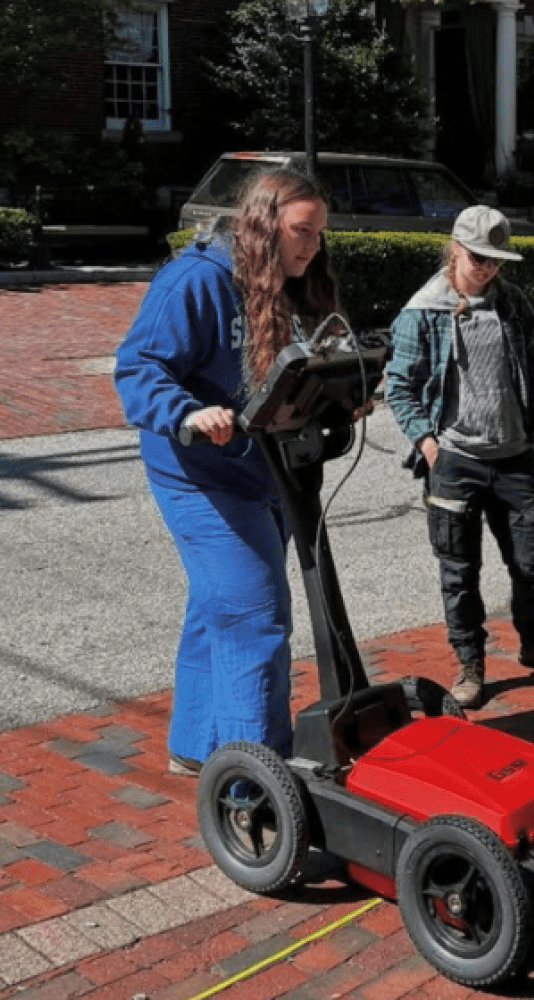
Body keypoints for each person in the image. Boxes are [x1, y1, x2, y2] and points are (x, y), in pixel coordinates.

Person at [113, 169, 337, 773]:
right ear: (264, 226)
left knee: (221, 605)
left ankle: (196, 747)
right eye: (301, 231)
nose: (311, 245)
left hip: (263, 469)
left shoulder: (292, 282)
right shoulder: (194, 280)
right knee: (256, 616)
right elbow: (138, 369)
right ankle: (255, 783)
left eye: (318, 232)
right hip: (200, 474)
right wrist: (188, 410)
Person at [384, 205, 534, 709]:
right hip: (455, 459)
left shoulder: (513, 304)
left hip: (515, 456)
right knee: (459, 570)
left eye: (496, 260)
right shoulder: (422, 312)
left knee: (532, 557)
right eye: (478, 258)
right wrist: (428, 446)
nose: (487, 269)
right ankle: (470, 665)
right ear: (455, 249)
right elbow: (399, 386)